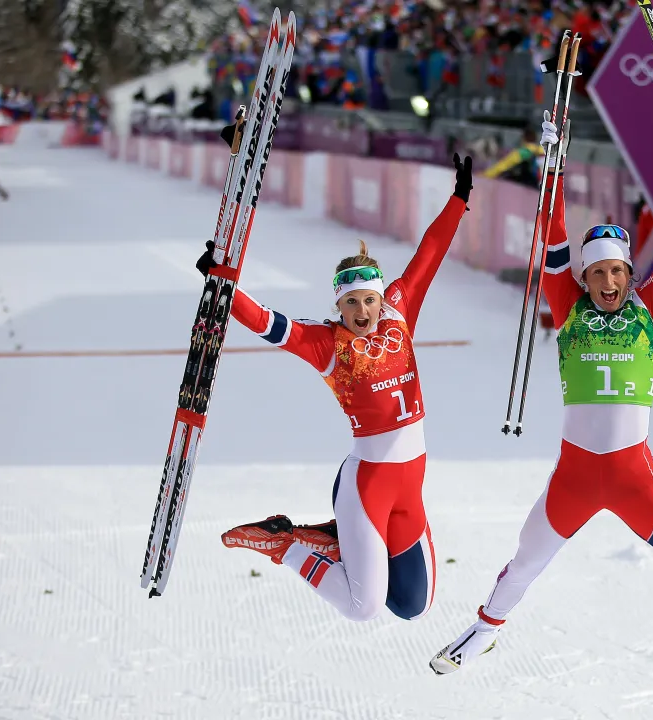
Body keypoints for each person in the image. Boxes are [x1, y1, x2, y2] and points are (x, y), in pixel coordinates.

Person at [428, 120, 653, 697]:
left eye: (615, 271)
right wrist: (553, 167)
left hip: (633, 476)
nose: (606, 281)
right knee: (525, 561)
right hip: (574, 475)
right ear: (584, 276)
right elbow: (549, 241)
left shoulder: (651, 308)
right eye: (595, 272)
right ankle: (483, 628)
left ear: (628, 272)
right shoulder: (565, 305)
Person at [198, 153, 474, 623]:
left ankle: (337, 538)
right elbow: (267, 322)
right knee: (361, 608)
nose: (362, 311)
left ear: (380, 297)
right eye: (351, 304)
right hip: (366, 486)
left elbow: (428, 255)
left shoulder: (398, 314)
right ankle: (284, 544)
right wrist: (222, 284)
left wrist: (459, 200)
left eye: (368, 299)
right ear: (339, 307)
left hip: (410, 486)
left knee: (412, 605)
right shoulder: (327, 343)